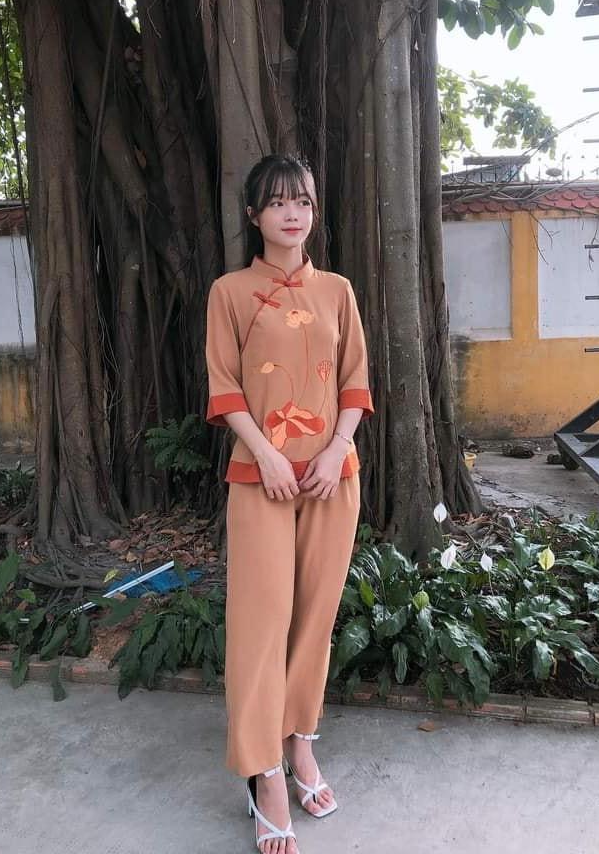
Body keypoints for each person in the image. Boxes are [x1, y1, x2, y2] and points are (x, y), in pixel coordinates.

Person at [205, 153, 375, 853]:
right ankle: (265, 773)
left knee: (314, 620)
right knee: (260, 622)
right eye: (277, 202)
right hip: (261, 478)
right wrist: (267, 455)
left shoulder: (337, 290)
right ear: (254, 215)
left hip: (334, 477)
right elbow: (224, 387)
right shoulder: (230, 292)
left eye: (301, 200)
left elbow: (356, 381)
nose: (292, 213)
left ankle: (301, 743)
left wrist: (336, 450)